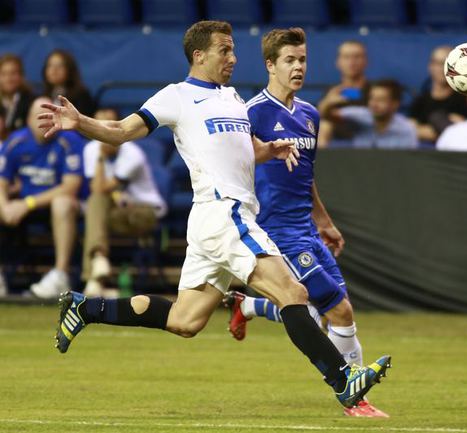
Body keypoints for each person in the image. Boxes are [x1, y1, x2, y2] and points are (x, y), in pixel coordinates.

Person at [38, 20, 390, 409]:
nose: (233, 58)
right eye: (224, 50)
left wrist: (268, 150)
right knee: (293, 293)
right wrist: (80, 122)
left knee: (185, 320)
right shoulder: (177, 96)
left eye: (233, 49)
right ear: (199, 55)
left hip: (213, 221)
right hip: (225, 213)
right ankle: (343, 380)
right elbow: (122, 130)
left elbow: (241, 150)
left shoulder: (233, 98)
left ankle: (86, 307)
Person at [224, 27, 389, 417]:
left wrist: (324, 222)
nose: (298, 67)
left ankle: (249, 307)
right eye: (289, 60)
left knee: (320, 313)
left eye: (302, 60)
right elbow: (232, 167)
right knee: (339, 312)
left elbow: (305, 177)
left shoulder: (310, 115)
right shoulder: (251, 114)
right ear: (270, 65)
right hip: (276, 231)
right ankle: (354, 398)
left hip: (307, 230)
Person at [0, 97, 85, 298]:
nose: (44, 121)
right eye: (39, 116)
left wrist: (27, 204)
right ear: (28, 120)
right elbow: (2, 181)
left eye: (49, 116)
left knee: (62, 203)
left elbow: (70, 187)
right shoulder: (16, 141)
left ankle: (60, 274)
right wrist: (4, 207)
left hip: (56, 206)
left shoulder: (70, 140)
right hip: (21, 206)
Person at [82, 108, 167, 297]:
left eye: (108, 125)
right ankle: (98, 263)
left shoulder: (132, 153)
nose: (103, 130)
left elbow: (102, 188)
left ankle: (94, 276)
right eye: (97, 125)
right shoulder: (90, 149)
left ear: (119, 126)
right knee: (95, 204)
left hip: (144, 211)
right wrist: (101, 156)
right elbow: (96, 191)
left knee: (95, 211)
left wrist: (101, 156)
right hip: (117, 211)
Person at [327, 79, 417, 149]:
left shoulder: (406, 130)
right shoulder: (360, 115)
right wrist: (328, 103)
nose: (374, 104)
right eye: (372, 98)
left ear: (395, 104)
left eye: (381, 99)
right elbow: (327, 115)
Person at [409, 46, 467, 143]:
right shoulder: (420, 101)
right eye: (439, 63)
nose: (443, 69)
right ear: (430, 66)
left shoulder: (466, 100)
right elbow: (410, 131)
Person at [317, 41, 369, 146]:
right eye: (346, 57)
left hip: (369, 138)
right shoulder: (332, 92)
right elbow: (315, 120)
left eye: (357, 57)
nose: (352, 62)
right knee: (324, 126)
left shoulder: (375, 90)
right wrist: (327, 103)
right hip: (336, 141)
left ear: (365, 61)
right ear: (338, 62)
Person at [43, 49, 97, 117]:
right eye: (50, 65)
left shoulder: (81, 95)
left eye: (60, 66)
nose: (54, 70)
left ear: (69, 69)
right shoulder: (43, 95)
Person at [0, 54, 35, 137]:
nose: (8, 78)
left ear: (21, 76)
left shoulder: (32, 102)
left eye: (13, 73)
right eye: (4, 74)